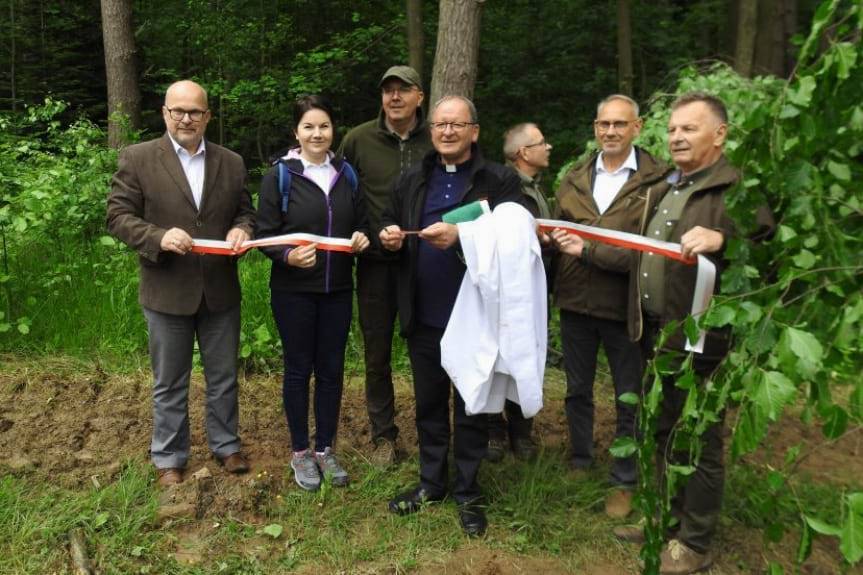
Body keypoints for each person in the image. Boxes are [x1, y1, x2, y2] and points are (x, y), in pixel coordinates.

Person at [554, 92, 746, 574]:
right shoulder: (668, 186)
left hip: (702, 337)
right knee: (660, 430)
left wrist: (726, 239)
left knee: (698, 438)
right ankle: (664, 520)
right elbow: (642, 253)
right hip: (655, 334)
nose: (678, 137)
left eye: (691, 129)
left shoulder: (736, 187)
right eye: (674, 129)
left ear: (719, 134)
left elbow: (769, 248)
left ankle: (694, 542)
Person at [380, 95, 522, 536]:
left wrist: (463, 235)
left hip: (473, 315)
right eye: (440, 125)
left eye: (456, 125)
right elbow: (388, 219)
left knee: (471, 407)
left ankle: (468, 491)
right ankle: (431, 482)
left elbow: (518, 234)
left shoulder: (498, 181)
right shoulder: (413, 178)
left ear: (474, 131)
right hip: (423, 312)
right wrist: (387, 236)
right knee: (428, 404)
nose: (446, 132)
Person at [107, 80, 254, 487]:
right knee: (169, 380)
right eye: (178, 111)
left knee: (223, 376)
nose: (186, 118)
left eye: (195, 112)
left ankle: (226, 445)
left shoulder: (232, 162)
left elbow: (245, 212)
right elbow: (118, 216)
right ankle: (169, 455)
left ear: (208, 116)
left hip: (220, 289)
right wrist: (157, 237)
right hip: (166, 289)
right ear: (165, 114)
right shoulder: (137, 158)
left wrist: (243, 230)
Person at [553, 95, 667, 518]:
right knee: (577, 390)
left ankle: (625, 479)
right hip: (575, 304)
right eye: (603, 124)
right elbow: (560, 223)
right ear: (595, 127)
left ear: (637, 127)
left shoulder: (658, 181)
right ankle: (580, 460)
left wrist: (587, 251)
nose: (610, 132)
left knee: (628, 395)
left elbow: (651, 253)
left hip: (625, 307)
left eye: (620, 124)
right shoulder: (576, 175)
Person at [255, 95, 370, 492]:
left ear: (332, 130)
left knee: (332, 372)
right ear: (296, 133)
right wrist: (287, 255)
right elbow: (263, 235)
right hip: (293, 292)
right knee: (298, 369)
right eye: (309, 127)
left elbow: (363, 223)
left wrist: (361, 237)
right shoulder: (279, 176)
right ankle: (300, 452)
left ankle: (325, 449)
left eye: (323, 126)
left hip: (337, 288)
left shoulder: (347, 173)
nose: (317, 134)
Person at [338, 65, 433, 465]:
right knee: (376, 353)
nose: (394, 97)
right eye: (388, 90)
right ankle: (384, 437)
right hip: (376, 264)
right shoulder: (358, 139)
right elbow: (340, 194)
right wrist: (360, 235)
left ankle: (434, 433)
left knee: (429, 351)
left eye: (403, 90)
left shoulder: (438, 138)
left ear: (419, 97)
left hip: (428, 264)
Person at [483, 122, 553, 462]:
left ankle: (522, 430)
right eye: (541, 143)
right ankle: (495, 431)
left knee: (527, 353)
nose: (549, 147)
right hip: (506, 293)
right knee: (501, 358)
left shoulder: (537, 189)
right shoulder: (502, 186)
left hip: (532, 291)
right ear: (523, 152)